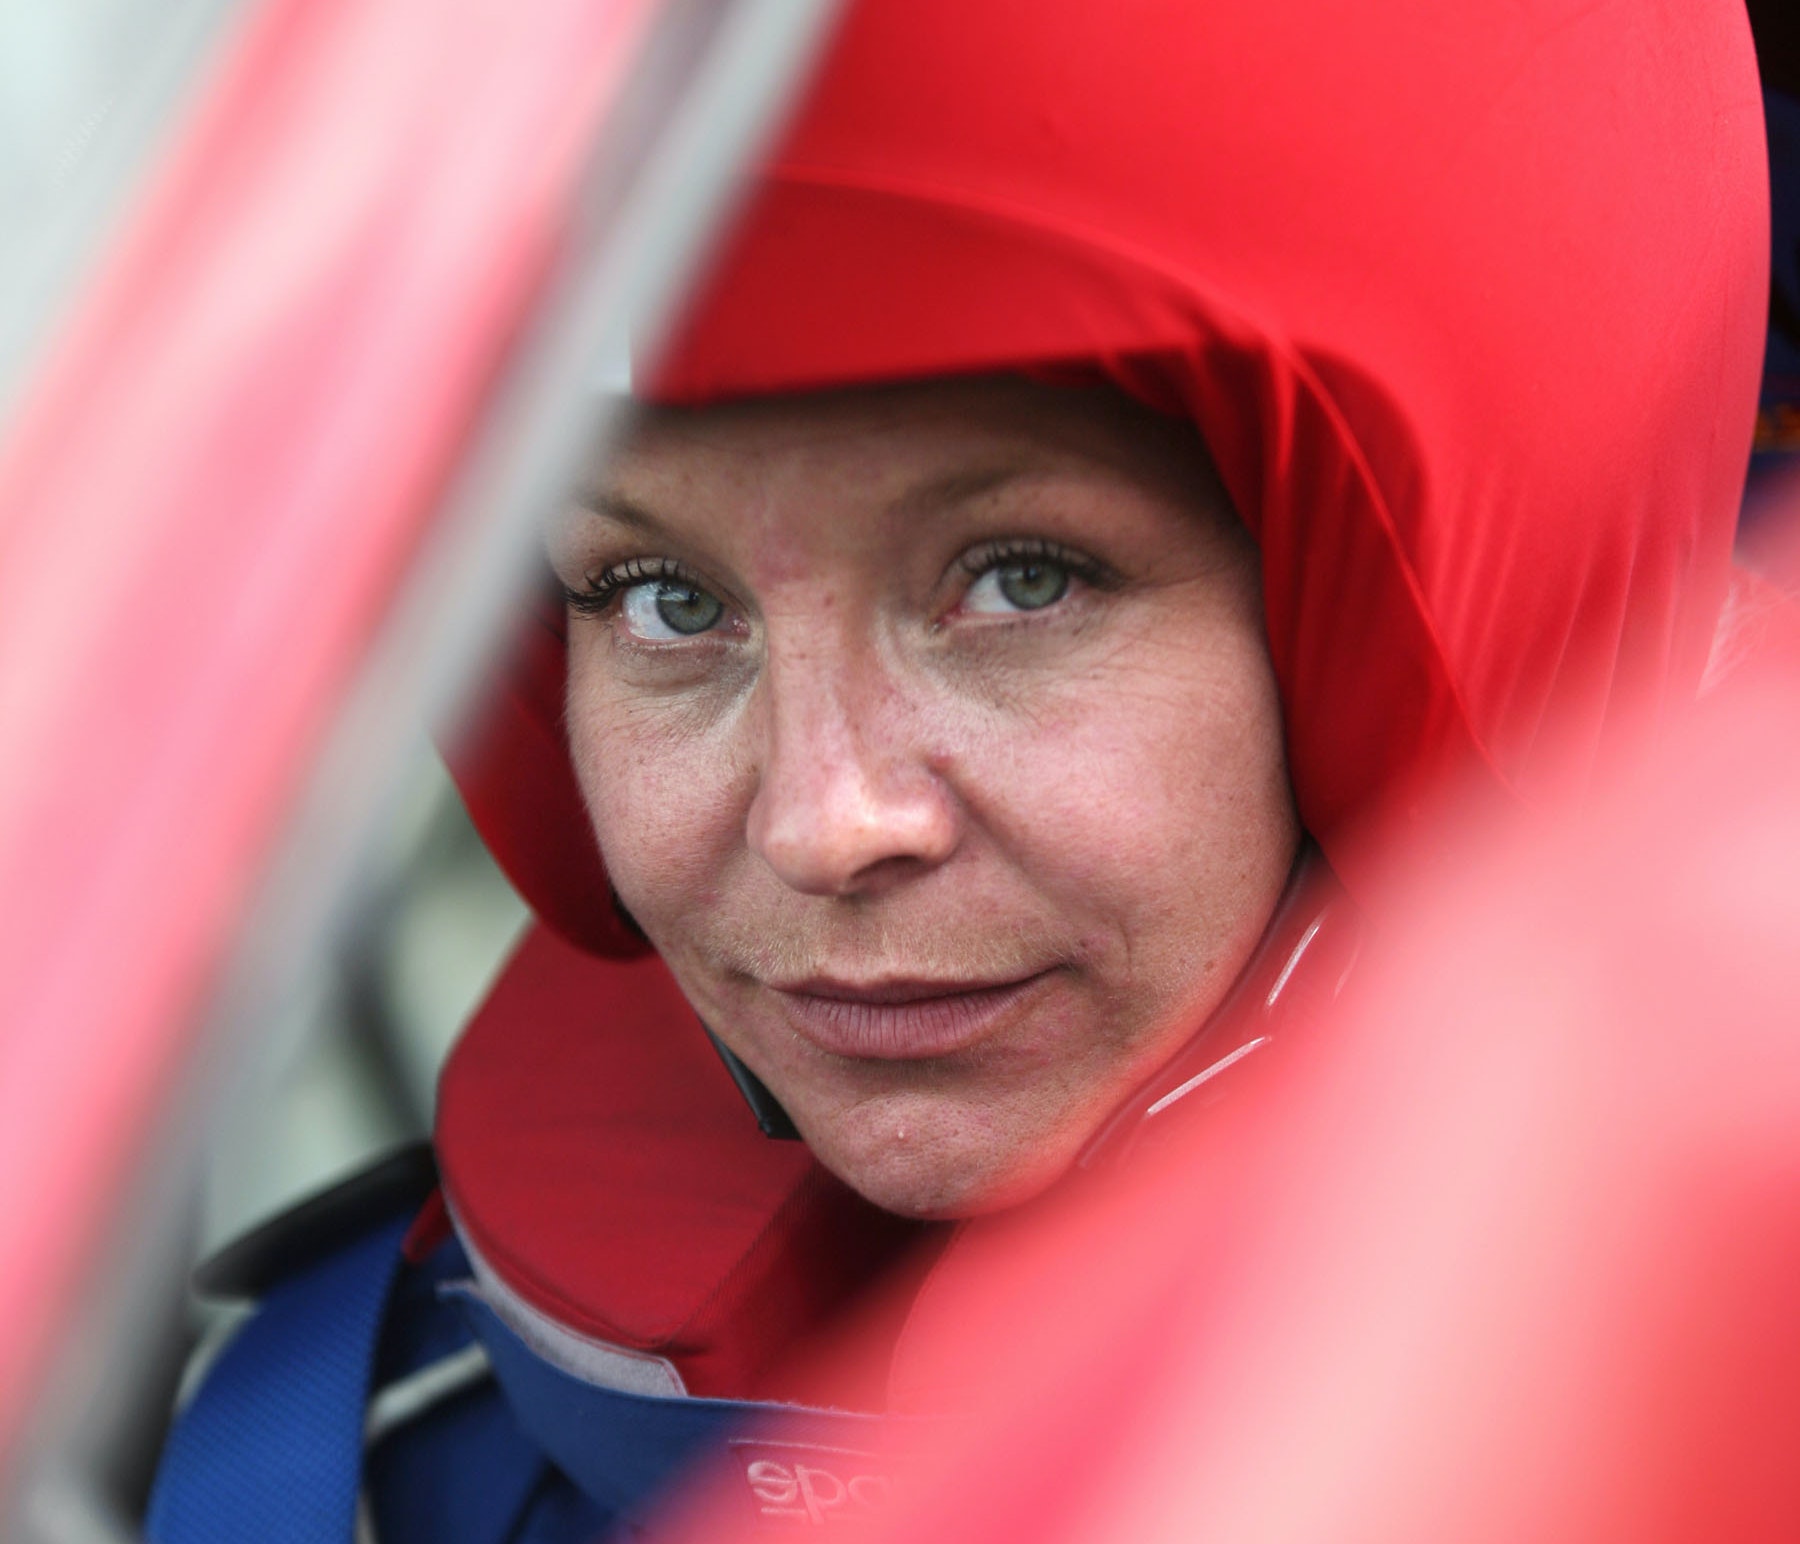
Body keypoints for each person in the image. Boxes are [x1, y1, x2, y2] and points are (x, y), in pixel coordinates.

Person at [146, 0, 1771, 1540]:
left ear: (1452, 617)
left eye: (1021, 580)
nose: (825, 823)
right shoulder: (342, 1464)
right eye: (663, 603)